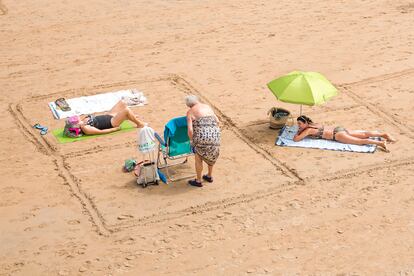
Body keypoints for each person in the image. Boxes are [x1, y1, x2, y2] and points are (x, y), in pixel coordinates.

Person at [293, 115, 396, 152]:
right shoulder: (314, 124)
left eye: (300, 124)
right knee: (364, 134)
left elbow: (296, 139)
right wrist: (301, 128)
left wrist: (298, 132)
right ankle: (383, 135)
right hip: (339, 129)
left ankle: (380, 143)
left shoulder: (308, 130)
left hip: (337, 135)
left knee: (360, 142)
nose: (299, 126)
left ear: (306, 123)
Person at [186, 95, 221, 187]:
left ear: (189, 105)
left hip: (202, 137)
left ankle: (198, 180)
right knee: (212, 155)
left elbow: (190, 130)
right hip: (215, 135)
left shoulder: (190, 112)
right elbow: (217, 121)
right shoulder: (207, 107)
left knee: (198, 159)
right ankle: (209, 175)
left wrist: (191, 141)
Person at [79, 100, 147, 135]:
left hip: (108, 115)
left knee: (122, 103)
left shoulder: (82, 121)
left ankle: (130, 117)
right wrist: (115, 129)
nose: (78, 120)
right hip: (112, 122)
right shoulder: (86, 129)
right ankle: (139, 124)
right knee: (126, 110)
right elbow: (101, 132)